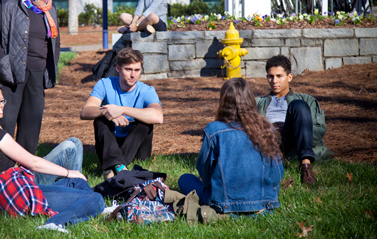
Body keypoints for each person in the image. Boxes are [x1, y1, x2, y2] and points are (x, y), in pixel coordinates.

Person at [0, 85, 104, 233]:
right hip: (25, 197)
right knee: (96, 199)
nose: (0, 112)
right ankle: (55, 222)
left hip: (7, 203)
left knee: (77, 183)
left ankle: (93, 208)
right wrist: (69, 172)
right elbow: (33, 162)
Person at [0, 0, 60, 155]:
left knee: (31, 125)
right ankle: (2, 164)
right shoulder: (10, 2)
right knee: (6, 122)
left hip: (37, 73)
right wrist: (5, 66)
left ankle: (26, 168)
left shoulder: (49, 7)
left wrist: (50, 70)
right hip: (11, 74)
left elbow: (54, 42)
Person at [178, 78, 284, 215]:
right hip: (264, 205)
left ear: (223, 101)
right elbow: (277, 173)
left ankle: (231, 214)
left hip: (224, 204)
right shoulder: (265, 127)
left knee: (185, 179)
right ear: (250, 100)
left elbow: (204, 173)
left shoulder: (213, 130)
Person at [80, 48, 163, 179]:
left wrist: (122, 109)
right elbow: (85, 112)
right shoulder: (105, 84)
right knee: (100, 120)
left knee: (145, 123)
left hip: (137, 148)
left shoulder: (146, 90)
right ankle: (120, 167)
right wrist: (108, 112)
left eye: (137, 70)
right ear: (118, 68)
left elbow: (158, 117)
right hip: (110, 143)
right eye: (128, 69)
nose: (133, 75)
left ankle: (112, 166)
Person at [256, 55, 333, 185]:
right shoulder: (257, 102)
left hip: (292, 143)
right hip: (268, 142)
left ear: (289, 77)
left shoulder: (306, 100)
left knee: (298, 105)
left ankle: (306, 167)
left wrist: (294, 129)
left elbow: (318, 132)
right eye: (270, 76)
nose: (274, 81)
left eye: (279, 76)